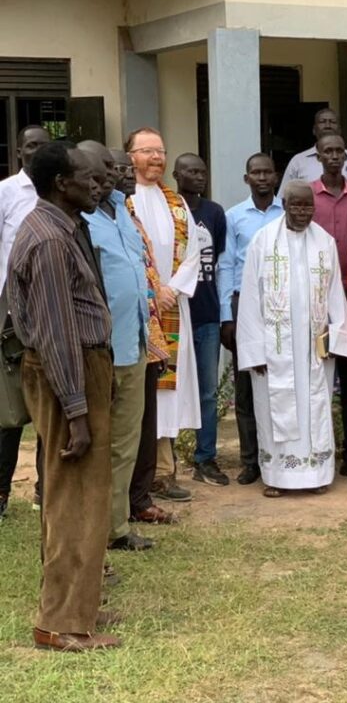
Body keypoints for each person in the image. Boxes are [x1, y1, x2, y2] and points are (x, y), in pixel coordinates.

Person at [9, 141, 118, 651]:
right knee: (77, 498)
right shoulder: (50, 239)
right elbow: (55, 330)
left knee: (72, 496)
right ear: (61, 184)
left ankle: (78, 605)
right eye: (86, 177)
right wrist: (77, 409)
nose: (96, 184)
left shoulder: (55, 225)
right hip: (68, 374)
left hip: (72, 369)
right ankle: (61, 624)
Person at [237, 181, 347, 496]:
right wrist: (254, 351)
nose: (302, 212)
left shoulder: (324, 242)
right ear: (284, 204)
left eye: (308, 206)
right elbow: (249, 298)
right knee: (274, 406)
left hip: (314, 348)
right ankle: (276, 477)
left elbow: (334, 296)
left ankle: (316, 473)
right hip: (273, 349)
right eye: (296, 206)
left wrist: (334, 340)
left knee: (315, 405)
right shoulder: (263, 241)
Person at [78, 142, 152, 552]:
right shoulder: (80, 218)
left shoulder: (122, 209)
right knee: (98, 443)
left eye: (116, 167)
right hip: (100, 350)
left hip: (135, 343)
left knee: (126, 441)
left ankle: (116, 528)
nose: (112, 174)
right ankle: (92, 528)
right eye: (103, 168)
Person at [126, 128, 200, 504]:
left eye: (160, 151)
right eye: (147, 151)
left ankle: (166, 471)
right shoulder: (122, 201)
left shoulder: (177, 203)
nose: (156, 158)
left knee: (169, 390)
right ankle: (141, 473)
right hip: (139, 310)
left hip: (173, 307)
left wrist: (172, 289)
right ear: (130, 156)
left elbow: (194, 252)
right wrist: (154, 290)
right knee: (143, 389)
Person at [112, 149, 175, 527]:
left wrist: (157, 341)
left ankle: (140, 498)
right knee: (120, 434)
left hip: (145, 338)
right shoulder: (91, 218)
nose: (121, 176)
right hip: (114, 344)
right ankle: (119, 509)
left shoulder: (129, 214)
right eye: (113, 169)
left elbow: (146, 280)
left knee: (145, 425)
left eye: (122, 170)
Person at [218, 153, 283, 485]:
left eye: (267, 172)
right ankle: (250, 461)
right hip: (245, 307)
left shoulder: (288, 213)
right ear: (247, 179)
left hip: (282, 307)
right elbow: (226, 265)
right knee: (246, 386)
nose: (261, 178)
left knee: (279, 382)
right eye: (255, 173)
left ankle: (281, 455)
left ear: (276, 177)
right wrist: (226, 316)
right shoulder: (233, 217)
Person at [311, 132, 347, 482]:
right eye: (327, 151)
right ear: (318, 156)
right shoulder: (309, 195)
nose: (333, 156)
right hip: (317, 302)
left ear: (345, 157)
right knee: (318, 378)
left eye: (339, 152)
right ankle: (320, 453)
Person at [0, 124, 50, 521]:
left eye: (43, 147)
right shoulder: (6, 192)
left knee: (52, 407)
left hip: (49, 314)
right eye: (31, 146)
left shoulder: (56, 191)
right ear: (19, 151)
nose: (36, 152)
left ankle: (45, 491)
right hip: (12, 316)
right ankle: (1, 494)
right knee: (11, 413)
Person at [173, 154, 228, 487]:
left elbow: (219, 260)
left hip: (206, 315)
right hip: (172, 316)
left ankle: (205, 458)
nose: (199, 176)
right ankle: (164, 463)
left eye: (202, 171)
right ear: (176, 175)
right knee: (168, 391)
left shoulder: (214, 213)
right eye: (191, 171)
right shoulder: (169, 211)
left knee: (207, 392)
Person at [280, 107, 347, 185]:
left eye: (333, 122)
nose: (328, 126)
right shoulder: (298, 161)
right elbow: (284, 198)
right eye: (322, 122)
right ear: (314, 130)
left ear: (340, 130)